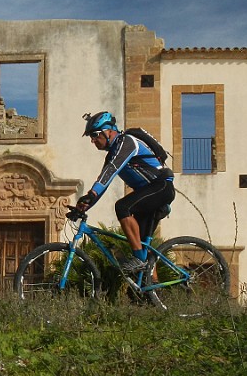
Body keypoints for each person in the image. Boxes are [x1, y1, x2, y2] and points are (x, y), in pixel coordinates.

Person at [73, 111, 175, 272]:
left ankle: (138, 260)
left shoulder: (127, 142)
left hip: (160, 187)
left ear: (109, 131)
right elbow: (104, 182)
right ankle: (151, 290)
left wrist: (91, 195)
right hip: (148, 194)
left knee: (122, 207)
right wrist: (86, 205)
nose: (93, 141)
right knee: (143, 249)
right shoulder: (112, 154)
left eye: (95, 135)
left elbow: (112, 170)